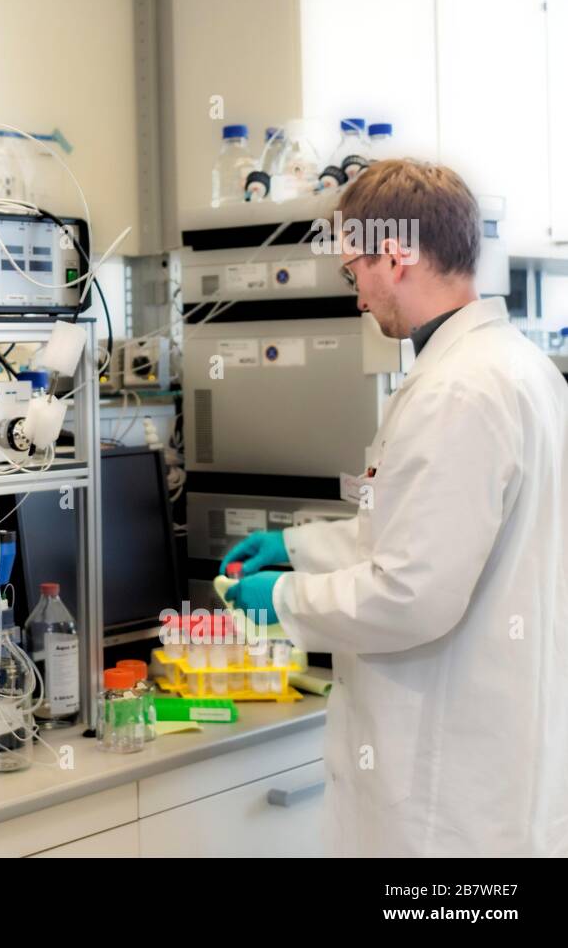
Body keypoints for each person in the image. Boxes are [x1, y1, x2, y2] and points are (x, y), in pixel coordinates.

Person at [223, 159, 568, 857]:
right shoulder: (516, 366)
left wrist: (285, 596)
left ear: (396, 253)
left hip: (449, 800)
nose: (357, 297)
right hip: (496, 767)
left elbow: (414, 591)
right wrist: (297, 547)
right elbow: (416, 532)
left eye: (355, 271)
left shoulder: (459, 391)